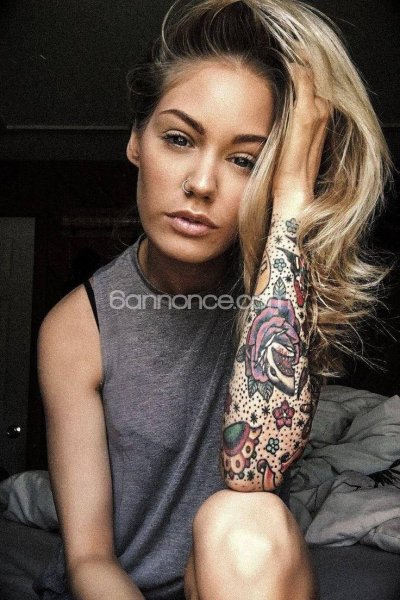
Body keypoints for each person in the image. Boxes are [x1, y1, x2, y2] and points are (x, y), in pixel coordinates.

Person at [33, 1, 390, 599]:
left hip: (239, 577)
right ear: (136, 141)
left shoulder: (281, 294)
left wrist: (293, 203)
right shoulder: (78, 328)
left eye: (244, 160)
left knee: (242, 522)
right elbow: (89, 559)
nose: (201, 184)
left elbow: (253, 472)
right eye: (178, 139)